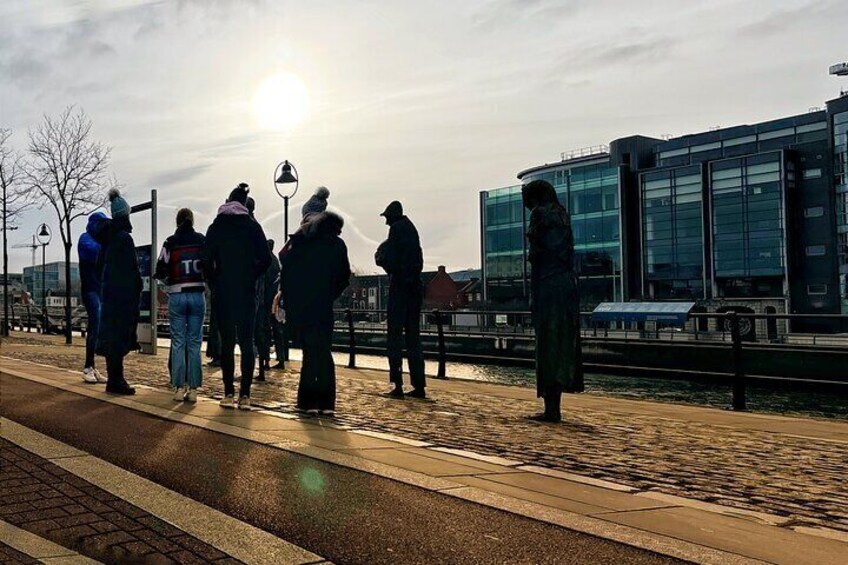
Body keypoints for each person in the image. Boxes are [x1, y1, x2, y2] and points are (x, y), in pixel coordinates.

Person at [202, 183, 271, 410]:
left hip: (223, 292)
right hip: (246, 292)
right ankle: (246, 395)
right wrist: (252, 273)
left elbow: (205, 261)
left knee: (228, 343)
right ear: (244, 205)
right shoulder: (252, 227)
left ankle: (228, 393)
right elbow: (266, 258)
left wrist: (215, 280)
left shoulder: (216, 226)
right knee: (247, 342)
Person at [521, 179, 583, 423]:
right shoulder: (562, 215)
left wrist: (533, 294)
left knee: (548, 344)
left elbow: (537, 257)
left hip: (548, 284)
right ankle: (554, 405)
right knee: (563, 345)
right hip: (567, 285)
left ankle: (551, 408)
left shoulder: (540, 214)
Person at [279, 212, 350, 415]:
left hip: (303, 305)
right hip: (324, 304)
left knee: (309, 352)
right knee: (324, 351)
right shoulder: (337, 244)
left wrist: (292, 299)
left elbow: (287, 272)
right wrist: (330, 293)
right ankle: (327, 403)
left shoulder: (303, 242)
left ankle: (307, 401)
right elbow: (343, 276)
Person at [94, 189, 142, 395]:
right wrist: (136, 287)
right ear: (126, 215)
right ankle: (116, 380)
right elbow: (132, 270)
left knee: (111, 337)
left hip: (109, 295)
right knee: (120, 335)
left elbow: (98, 267)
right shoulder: (124, 238)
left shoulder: (107, 239)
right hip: (122, 296)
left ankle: (114, 378)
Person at [375, 201, 425, 399]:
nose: (386, 221)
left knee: (394, 337)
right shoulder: (412, 229)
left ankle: (397, 384)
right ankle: (419, 385)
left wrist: (381, 259)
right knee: (413, 338)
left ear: (392, 216)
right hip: (414, 288)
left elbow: (392, 260)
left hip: (401, 287)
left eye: (387, 217)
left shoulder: (396, 230)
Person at [155, 208, 206, 403]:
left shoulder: (170, 242)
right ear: (192, 221)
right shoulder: (201, 240)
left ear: (177, 222)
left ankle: (178, 387)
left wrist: (169, 283)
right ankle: (193, 389)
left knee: (178, 342)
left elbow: (160, 269)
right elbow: (210, 264)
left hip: (176, 294)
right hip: (197, 294)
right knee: (194, 343)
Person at [78, 211, 109, 384]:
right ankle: (88, 366)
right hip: (90, 289)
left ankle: (92, 365)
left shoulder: (98, 240)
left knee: (97, 327)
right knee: (95, 323)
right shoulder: (86, 239)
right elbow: (93, 252)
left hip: (99, 289)